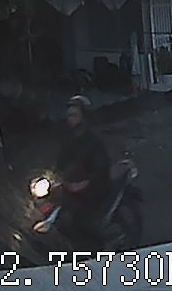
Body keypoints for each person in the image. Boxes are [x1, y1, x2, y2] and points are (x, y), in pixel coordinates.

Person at [54, 95, 111, 246]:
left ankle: (102, 248)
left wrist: (83, 184)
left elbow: (101, 169)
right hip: (71, 186)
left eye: (74, 115)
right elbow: (60, 162)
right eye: (69, 116)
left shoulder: (94, 141)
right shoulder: (68, 139)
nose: (70, 119)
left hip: (93, 188)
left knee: (81, 220)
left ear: (84, 117)